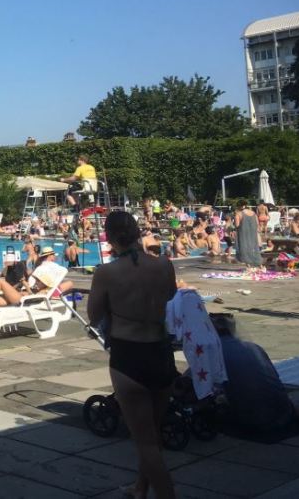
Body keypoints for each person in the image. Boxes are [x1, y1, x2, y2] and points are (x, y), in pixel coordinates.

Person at [88, 212, 178, 499]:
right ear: (139, 233)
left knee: (145, 442)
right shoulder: (164, 265)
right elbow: (170, 296)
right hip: (161, 351)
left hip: (129, 355)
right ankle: (141, 488)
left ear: (109, 238)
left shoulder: (106, 273)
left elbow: (94, 316)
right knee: (153, 431)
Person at [234, 199, 263, 268]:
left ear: (240, 206)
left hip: (243, 232)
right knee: (254, 248)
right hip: (253, 232)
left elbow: (237, 225)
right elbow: (257, 224)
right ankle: (260, 265)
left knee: (244, 248)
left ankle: (249, 266)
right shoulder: (253, 213)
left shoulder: (239, 214)